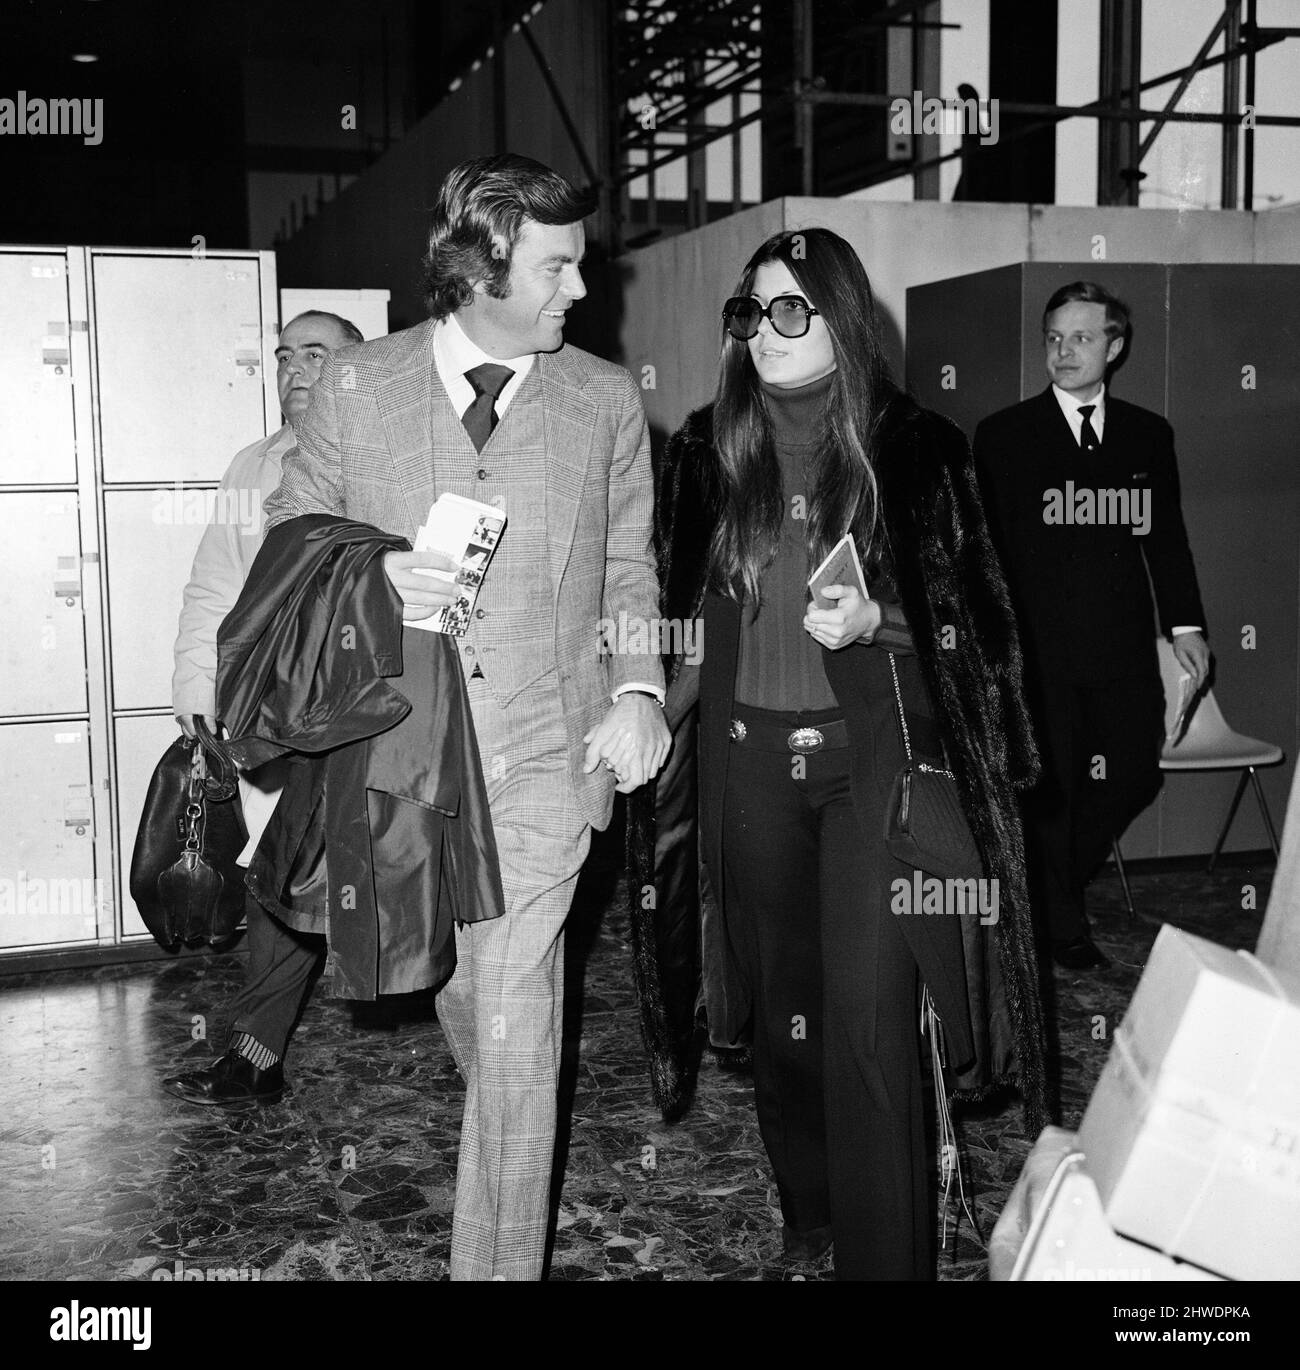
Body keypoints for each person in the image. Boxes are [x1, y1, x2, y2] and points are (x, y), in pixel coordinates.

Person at [260, 154, 669, 1281]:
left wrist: (637, 689)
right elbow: (290, 532)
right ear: (479, 265)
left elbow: (630, 568)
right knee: (465, 997)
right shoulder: (360, 388)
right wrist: (374, 577)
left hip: (548, 753)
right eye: (555, 266)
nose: (578, 290)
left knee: (516, 1020)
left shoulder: (601, 400)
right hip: (406, 763)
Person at [645, 227, 1046, 1280]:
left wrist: (884, 621)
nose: (764, 331)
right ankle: (809, 1206)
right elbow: (676, 619)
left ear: (840, 316)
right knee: (784, 1026)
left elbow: (982, 631)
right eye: (750, 311)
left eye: (790, 309)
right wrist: (642, 702)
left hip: (868, 772)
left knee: (871, 1030)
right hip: (745, 772)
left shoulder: (916, 450)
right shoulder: (702, 448)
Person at [975, 282, 1209, 971]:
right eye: (1053, 338)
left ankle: (1041, 893)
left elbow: (1166, 539)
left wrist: (1187, 625)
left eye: (1081, 337)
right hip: (1038, 650)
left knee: (1135, 770)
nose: (1063, 351)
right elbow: (983, 549)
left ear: (1116, 345)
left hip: (1123, 645)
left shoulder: (1146, 434)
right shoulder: (1005, 434)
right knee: (1055, 789)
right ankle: (1062, 925)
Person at [164, 309, 364, 1107]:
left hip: (369, 708)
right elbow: (213, 584)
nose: (294, 369)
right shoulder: (255, 466)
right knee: (277, 873)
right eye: (284, 355)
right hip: (276, 714)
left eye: (317, 354)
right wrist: (195, 691)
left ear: (363, 366)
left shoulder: (388, 453)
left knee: (400, 875)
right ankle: (253, 1054)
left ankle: (487, 1058)